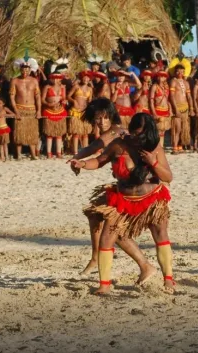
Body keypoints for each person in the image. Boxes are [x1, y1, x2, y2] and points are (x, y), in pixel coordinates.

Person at [72, 112, 174, 295]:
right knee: (107, 237)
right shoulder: (119, 145)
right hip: (122, 201)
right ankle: (104, 285)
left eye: (141, 135)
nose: (137, 138)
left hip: (152, 200)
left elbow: (168, 177)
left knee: (160, 234)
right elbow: (99, 160)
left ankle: (168, 280)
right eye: (135, 134)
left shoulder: (155, 147)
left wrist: (154, 163)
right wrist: (82, 164)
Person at [67, 98, 155, 281]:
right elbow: (98, 156)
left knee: (115, 231)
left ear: (111, 116)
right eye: (97, 118)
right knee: (95, 215)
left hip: (133, 191)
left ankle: (144, 266)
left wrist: (78, 158)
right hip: (124, 186)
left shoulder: (115, 132)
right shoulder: (113, 131)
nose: (100, 122)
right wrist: (79, 161)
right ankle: (95, 258)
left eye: (104, 117)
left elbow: (94, 148)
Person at [10, 58, 41, 160]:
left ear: (30, 70)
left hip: (31, 109)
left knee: (31, 133)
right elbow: (12, 97)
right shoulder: (15, 80)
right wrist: (16, 111)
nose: (25, 72)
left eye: (27, 70)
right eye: (23, 70)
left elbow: (37, 96)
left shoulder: (34, 81)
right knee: (19, 133)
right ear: (20, 69)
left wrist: (39, 110)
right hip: (20, 109)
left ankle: (33, 154)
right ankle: (18, 155)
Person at [41, 73, 68, 158]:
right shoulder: (47, 87)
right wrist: (48, 104)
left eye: (57, 78)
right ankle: (49, 152)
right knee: (49, 133)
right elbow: (42, 99)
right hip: (49, 111)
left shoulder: (63, 87)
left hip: (60, 111)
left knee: (59, 133)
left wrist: (64, 101)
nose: (55, 80)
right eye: (53, 78)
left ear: (60, 79)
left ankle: (58, 152)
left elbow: (64, 97)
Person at [67, 70, 94, 153]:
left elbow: (90, 100)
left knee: (85, 132)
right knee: (76, 132)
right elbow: (68, 96)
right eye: (84, 77)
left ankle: (85, 151)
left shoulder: (90, 89)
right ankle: (75, 151)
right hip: (75, 110)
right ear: (81, 78)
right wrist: (74, 101)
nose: (86, 79)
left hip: (85, 111)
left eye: (87, 77)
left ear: (89, 79)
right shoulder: (76, 86)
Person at [169, 65, 194, 153]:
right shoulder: (173, 81)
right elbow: (171, 96)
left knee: (184, 128)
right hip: (177, 107)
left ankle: (180, 145)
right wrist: (175, 109)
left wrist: (191, 108)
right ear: (175, 72)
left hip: (185, 108)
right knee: (177, 128)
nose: (180, 73)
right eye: (178, 71)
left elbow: (189, 97)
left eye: (182, 71)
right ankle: (175, 147)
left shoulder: (186, 83)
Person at [149, 71, 172, 147]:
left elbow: (168, 100)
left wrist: (170, 110)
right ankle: (158, 147)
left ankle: (161, 147)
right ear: (157, 77)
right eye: (160, 76)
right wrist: (154, 113)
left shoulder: (166, 87)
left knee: (163, 132)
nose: (161, 78)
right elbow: (151, 100)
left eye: (163, 76)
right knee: (157, 131)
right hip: (158, 110)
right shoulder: (154, 86)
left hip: (165, 110)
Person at [0, 97, 14, 162]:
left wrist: (5, 115)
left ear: (3, 103)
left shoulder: (5, 108)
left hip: (4, 128)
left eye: (0, 103)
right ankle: (2, 156)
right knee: (0, 144)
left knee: (5, 144)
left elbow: (13, 114)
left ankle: (6, 157)